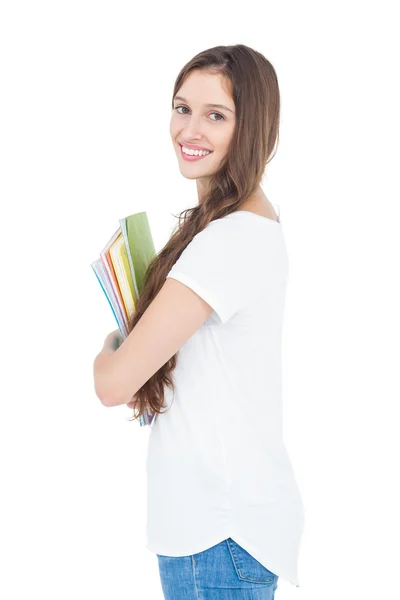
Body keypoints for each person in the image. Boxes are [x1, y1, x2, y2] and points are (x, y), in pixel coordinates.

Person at [94, 44, 305, 599]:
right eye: (182, 107)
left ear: (253, 127)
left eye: (216, 115)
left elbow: (114, 383)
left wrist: (112, 342)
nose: (190, 128)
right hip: (222, 529)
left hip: (216, 533)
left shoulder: (232, 239)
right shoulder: (240, 226)